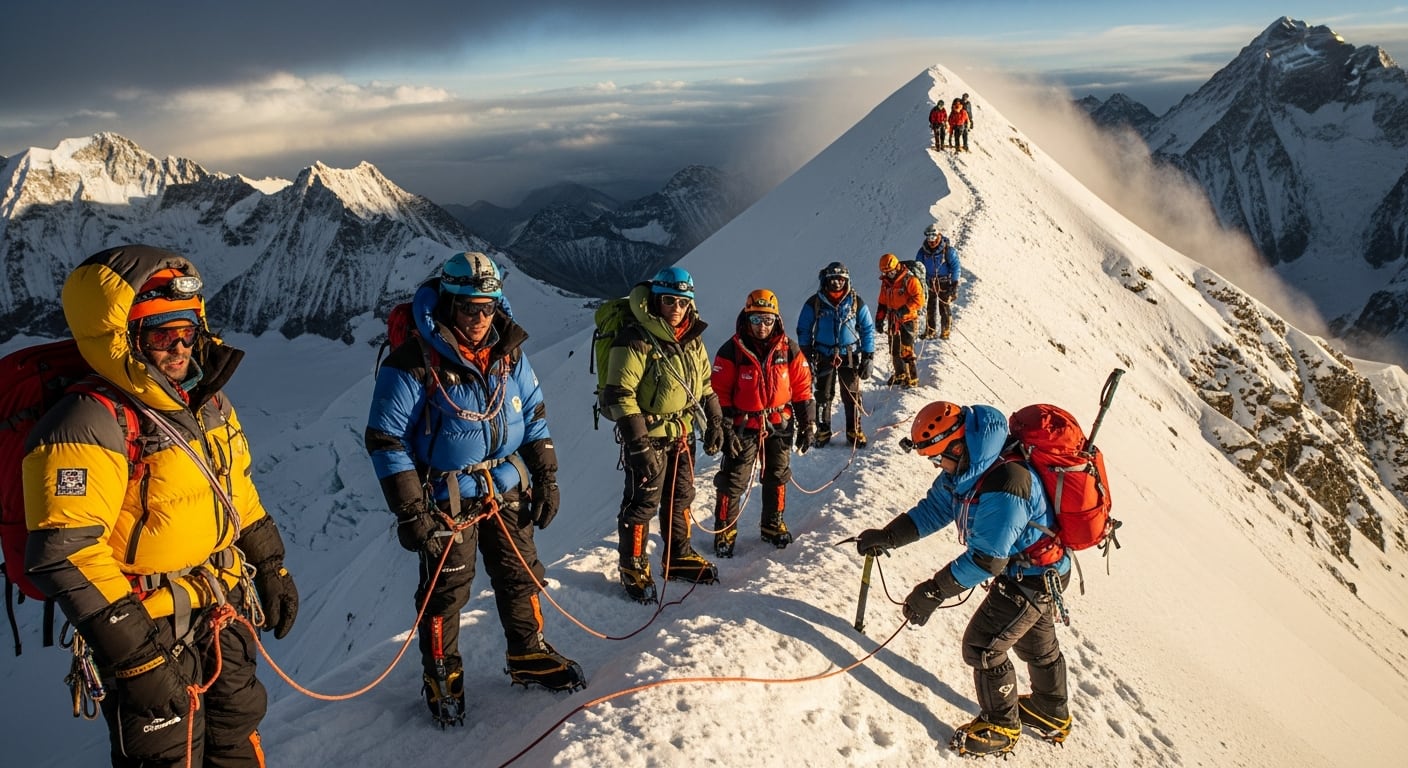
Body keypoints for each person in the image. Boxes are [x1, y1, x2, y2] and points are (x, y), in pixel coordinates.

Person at [24, 245, 299, 767]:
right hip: (147, 629)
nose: (178, 348)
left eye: (186, 332)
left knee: (238, 738)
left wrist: (270, 561)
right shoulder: (86, 421)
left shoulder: (206, 402)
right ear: (124, 339)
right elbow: (64, 552)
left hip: (221, 612)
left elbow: (235, 488)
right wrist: (136, 657)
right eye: (159, 335)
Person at [365, 251, 585, 725]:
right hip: (447, 497)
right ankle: (441, 673)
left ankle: (528, 652)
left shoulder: (509, 353)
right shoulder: (413, 361)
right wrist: (411, 511)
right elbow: (386, 439)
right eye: (468, 307)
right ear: (448, 303)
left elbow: (534, 413)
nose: (479, 318)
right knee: (446, 590)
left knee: (521, 571)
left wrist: (545, 475)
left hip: (504, 483)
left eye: (487, 306)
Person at [853, 402, 1073, 758]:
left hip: (1031, 577)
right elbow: (935, 509)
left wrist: (933, 592)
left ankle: (1002, 726)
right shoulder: (967, 471)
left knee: (983, 646)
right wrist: (889, 535)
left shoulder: (1006, 483)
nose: (938, 466)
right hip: (1034, 570)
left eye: (939, 457)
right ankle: (1051, 711)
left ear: (959, 445)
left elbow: (987, 560)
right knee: (1034, 643)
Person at [598, 266, 726, 603]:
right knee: (642, 503)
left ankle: (678, 555)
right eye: (669, 300)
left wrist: (715, 420)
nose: (676, 308)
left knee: (680, 497)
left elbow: (704, 385)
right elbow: (619, 393)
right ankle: (633, 565)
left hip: (682, 432)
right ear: (655, 300)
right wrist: (637, 443)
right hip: (649, 435)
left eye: (683, 301)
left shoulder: (690, 337)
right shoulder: (635, 337)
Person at [709, 289, 816, 557]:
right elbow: (718, 391)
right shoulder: (731, 350)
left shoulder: (788, 348)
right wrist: (723, 426)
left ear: (776, 320)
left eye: (767, 320)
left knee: (777, 476)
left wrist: (808, 424)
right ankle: (725, 530)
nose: (762, 326)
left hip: (779, 423)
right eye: (756, 319)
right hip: (742, 427)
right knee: (733, 481)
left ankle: (772, 524)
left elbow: (802, 388)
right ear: (747, 318)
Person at [796, 262, 876, 448]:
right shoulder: (815, 303)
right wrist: (806, 354)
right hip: (823, 355)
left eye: (841, 279)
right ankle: (823, 431)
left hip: (849, 355)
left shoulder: (856, 301)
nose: (837, 283)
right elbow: (803, 329)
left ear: (846, 280)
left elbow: (867, 329)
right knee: (823, 395)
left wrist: (868, 356)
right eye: (833, 279)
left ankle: (854, 430)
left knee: (852, 394)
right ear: (826, 280)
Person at [876, 253, 924, 388]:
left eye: (890, 271)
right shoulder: (886, 284)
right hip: (892, 318)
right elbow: (882, 302)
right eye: (886, 272)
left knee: (907, 349)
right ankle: (900, 373)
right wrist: (879, 319)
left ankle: (912, 377)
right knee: (894, 349)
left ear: (897, 267)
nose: (889, 274)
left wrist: (905, 309)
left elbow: (919, 300)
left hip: (908, 319)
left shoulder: (910, 280)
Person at [914, 223, 962, 340]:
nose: (931, 241)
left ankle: (945, 332)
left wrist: (954, 283)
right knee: (930, 307)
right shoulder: (922, 252)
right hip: (929, 282)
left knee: (944, 307)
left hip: (944, 282)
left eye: (934, 237)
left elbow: (956, 267)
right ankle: (930, 331)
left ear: (939, 235)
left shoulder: (948, 251)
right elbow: (918, 267)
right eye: (929, 238)